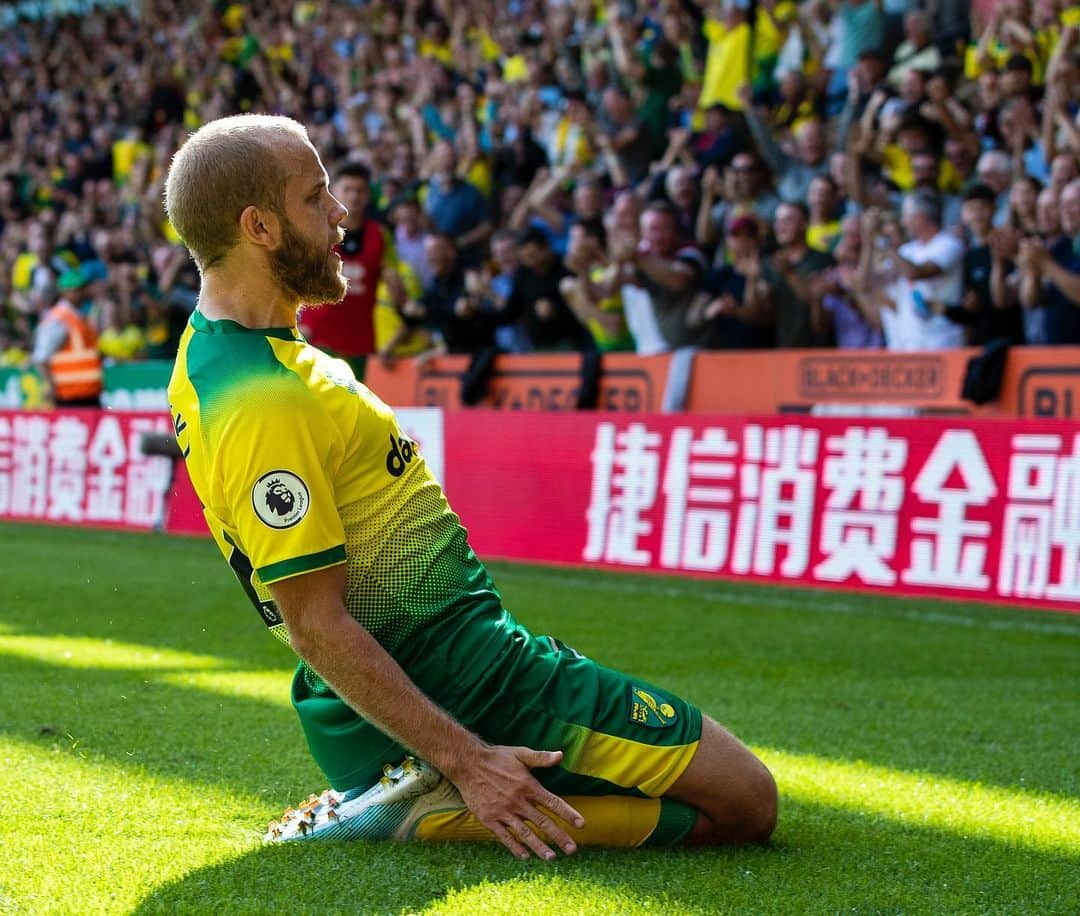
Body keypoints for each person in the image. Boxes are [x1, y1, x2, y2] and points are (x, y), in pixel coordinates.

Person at [164, 115, 776, 856]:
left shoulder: (223, 352)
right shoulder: (262, 397)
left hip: (433, 674)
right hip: (471, 683)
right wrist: (469, 761)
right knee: (746, 801)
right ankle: (429, 797)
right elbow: (315, 624)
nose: (341, 214)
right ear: (259, 227)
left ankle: (409, 781)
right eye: (315, 196)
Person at [298, 163, 394, 378]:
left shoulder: (380, 236)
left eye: (360, 190)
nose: (354, 196)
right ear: (335, 192)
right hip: (318, 336)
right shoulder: (316, 230)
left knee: (353, 408)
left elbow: (395, 280)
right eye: (348, 189)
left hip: (360, 340)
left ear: (368, 195)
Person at [29, 267, 103, 408]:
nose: (82, 293)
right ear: (65, 292)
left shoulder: (81, 316)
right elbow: (41, 357)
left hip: (88, 393)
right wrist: (50, 386)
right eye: (78, 289)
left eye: (83, 289)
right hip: (68, 396)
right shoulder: (58, 319)